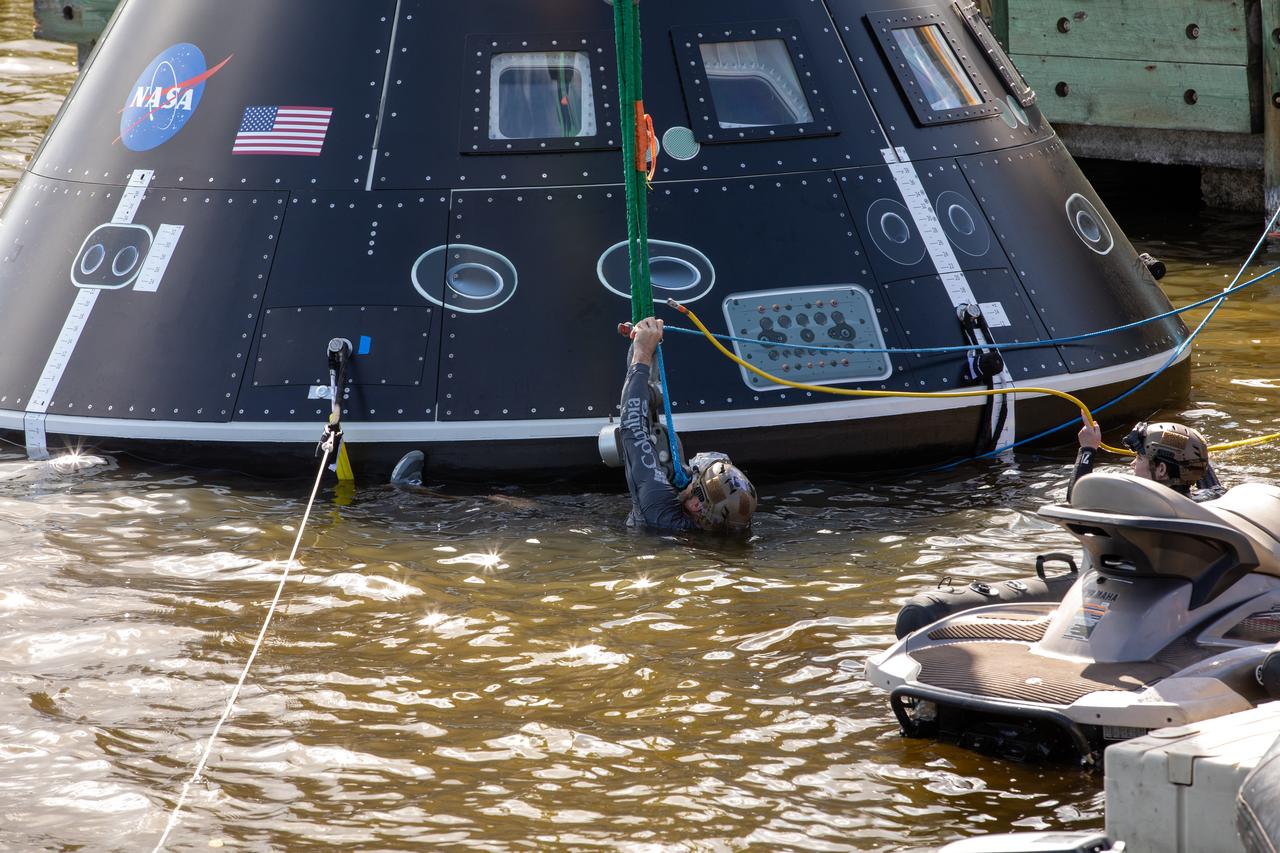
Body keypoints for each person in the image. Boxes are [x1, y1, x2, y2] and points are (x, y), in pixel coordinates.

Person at [619, 317, 757, 533]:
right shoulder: (729, 524)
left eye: (695, 477)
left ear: (695, 505)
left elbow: (632, 430)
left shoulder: (657, 508)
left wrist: (643, 353)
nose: (690, 473)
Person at [1068, 419, 1223, 503]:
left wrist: (1087, 449)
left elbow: (1076, 500)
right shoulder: (1210, 500)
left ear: (1161, 470)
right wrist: (1194, 451)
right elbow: (1215, 487)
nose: (1132, 464)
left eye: (1140, 457)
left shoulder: (1134, 506)